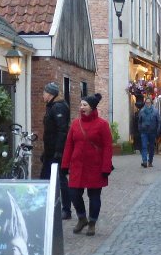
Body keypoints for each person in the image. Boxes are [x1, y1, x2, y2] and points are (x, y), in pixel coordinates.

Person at [61, 93, 113, 236]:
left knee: (94, 195)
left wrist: (106, 167)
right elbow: (69, 145)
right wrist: (65, 164)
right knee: (74, 193)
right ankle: (82, 218)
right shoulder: (75, 124)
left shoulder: (102, 124)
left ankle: (92, 223)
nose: (81, 107)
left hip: (95, 166)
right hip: (77, 165)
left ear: (92, 108)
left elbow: (108, 147)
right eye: (81, 105)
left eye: (85, 105)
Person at [40, 82, 72, 220]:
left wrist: (58, 152)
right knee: (44, 178)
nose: (43, 94)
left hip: (56, 152)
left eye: (45, 92)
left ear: (51, 94)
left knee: (61, 179)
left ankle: (67, 209)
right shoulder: (51, 107)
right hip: (50, 152)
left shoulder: (58, 107)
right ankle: (44, 206)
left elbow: (62, 131)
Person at [136, 98, 161, 168]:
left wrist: (158, 130)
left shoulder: (155, 111)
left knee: (151, 147)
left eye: (149, 102)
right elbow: (139, 121)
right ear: (145, 103)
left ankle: (150, 161)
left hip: (152, 132)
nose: (147, 104)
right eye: (146, 103)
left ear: (151, 103)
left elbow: (159, 121)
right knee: (144, 146)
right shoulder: (142, 111)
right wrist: (140, 129)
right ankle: (144, 161)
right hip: (144, 132)